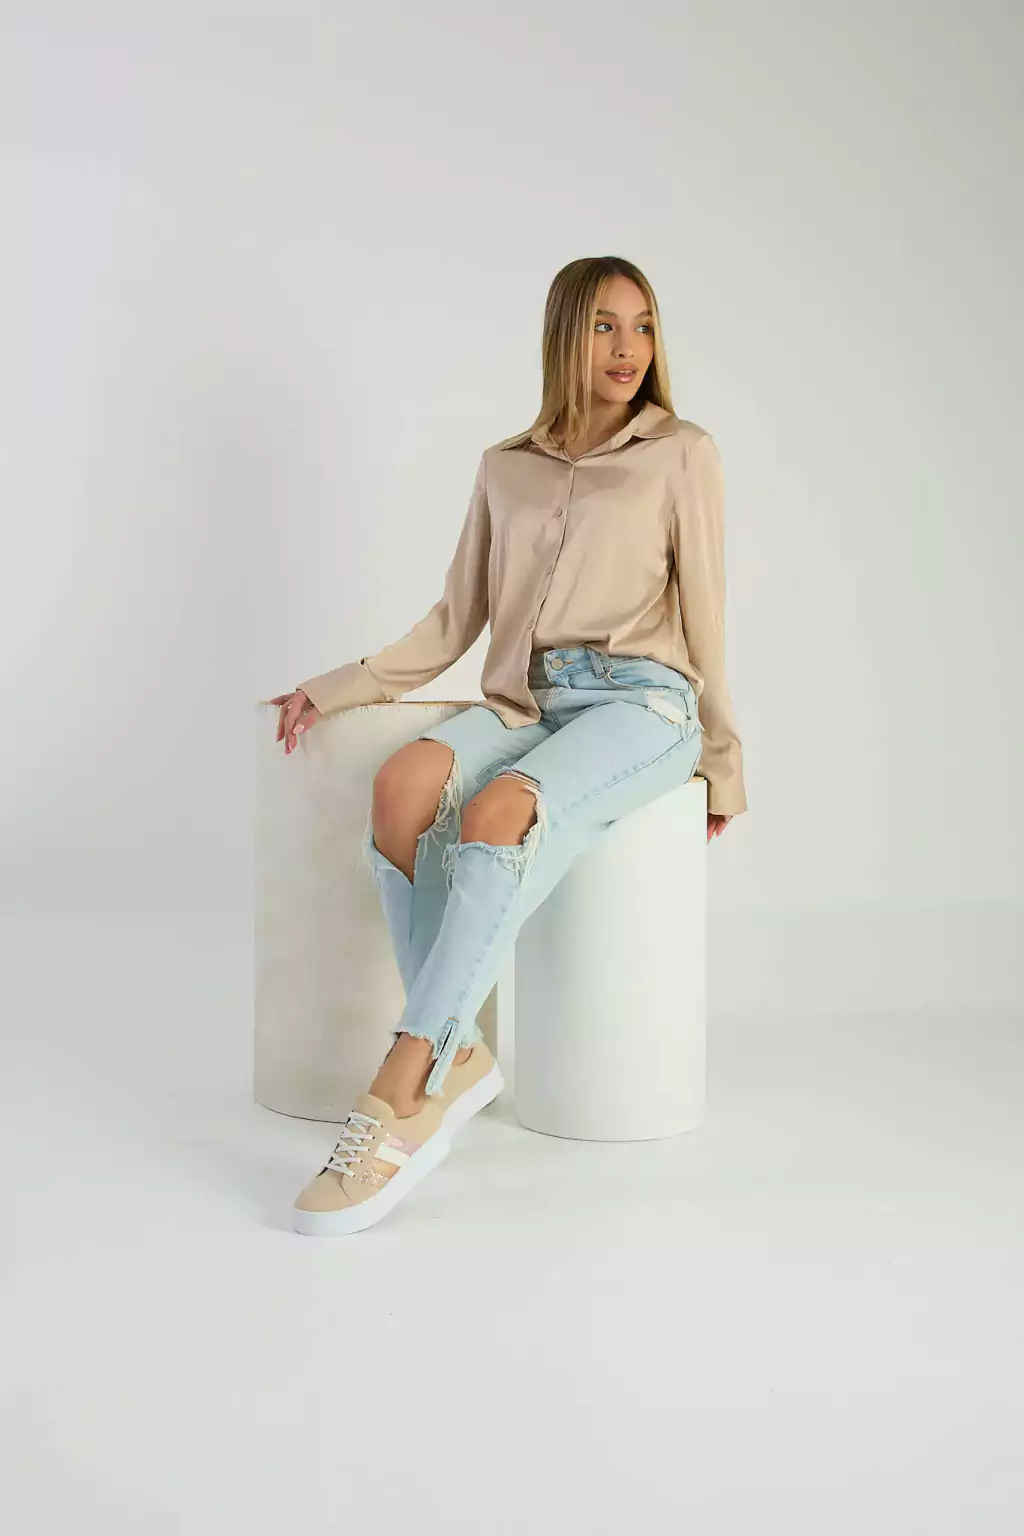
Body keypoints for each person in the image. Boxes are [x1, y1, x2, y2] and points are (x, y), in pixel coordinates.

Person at [266, 255, 748, 1236]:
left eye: (643, 326)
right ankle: (458, 1050)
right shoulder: (506, 466)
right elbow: (455, 621)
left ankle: (403, 1090)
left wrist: (724, 759)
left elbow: (708, 616)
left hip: (642, 706)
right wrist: (337, 684)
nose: (627, 348)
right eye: (604, 325)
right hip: (528, 700)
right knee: (403, 787)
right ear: (565, 334)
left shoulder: (682, 453)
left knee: (499, 816)